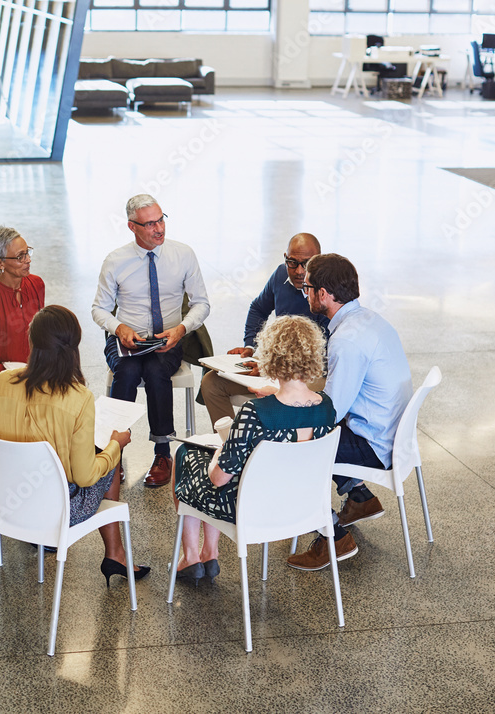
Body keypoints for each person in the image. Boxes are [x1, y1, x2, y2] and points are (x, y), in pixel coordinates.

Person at [0, 305, 151, 584]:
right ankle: (115, 553)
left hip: (4, 501)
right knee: (108, 457)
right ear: (73, 347)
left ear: (32, 341)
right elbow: (84, 476)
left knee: (99, 454)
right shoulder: (78, 397)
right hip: (55, 511)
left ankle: (115, 554)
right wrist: (115, 446)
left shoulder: (3, 381)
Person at [173, 316, 337, 584]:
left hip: (252, 508)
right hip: (303, 506)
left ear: (271, 355)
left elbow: (219, 479)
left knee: (186, 455)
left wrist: (220, 452)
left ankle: (194, 556)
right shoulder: (327, 407)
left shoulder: (255, 412)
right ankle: (207, 553)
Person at [287, 253, 412, 571]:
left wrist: (285, 400)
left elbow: (329, 413)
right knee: (309, 426)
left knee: (290, 446)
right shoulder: (370, 319)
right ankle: (359, 498)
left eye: (308, 288)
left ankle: (333, 537)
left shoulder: (346, 340)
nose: (305, 294)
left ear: (323, 294)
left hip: (374, 445)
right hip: (391, 433)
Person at [92, 194, 210, 488]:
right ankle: (113, 453)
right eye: (149, 224)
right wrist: (118, 327)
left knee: (157, 371)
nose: (159, 229)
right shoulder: (115, 261)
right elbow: (99, 309)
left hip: (168, 339)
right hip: (125, 339)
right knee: (128, 371)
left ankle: (162, 452)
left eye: (161, 220)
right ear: (132, 226)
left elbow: (202, 304)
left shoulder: (183, 255)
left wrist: (181, 328)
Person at [201, 232, 330, 426]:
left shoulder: (327, 291)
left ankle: (268, 439)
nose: (299, 271)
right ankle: (229, 441)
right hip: (277, 367)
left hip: (310, 373)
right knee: (212, 383)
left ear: (318, 261)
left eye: (306, 264)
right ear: (285, 258)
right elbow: (258, 309)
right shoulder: (280, 275)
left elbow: (326, 355)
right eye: (292, 263)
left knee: (285, 393)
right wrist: (250, 347)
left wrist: (275, 368)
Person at [0, 226, 45, 382]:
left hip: (33, 372)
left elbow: (41, 335)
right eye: (20, 256)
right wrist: (19, 378)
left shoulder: (37, 284)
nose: (28, 260)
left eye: (27, 252)